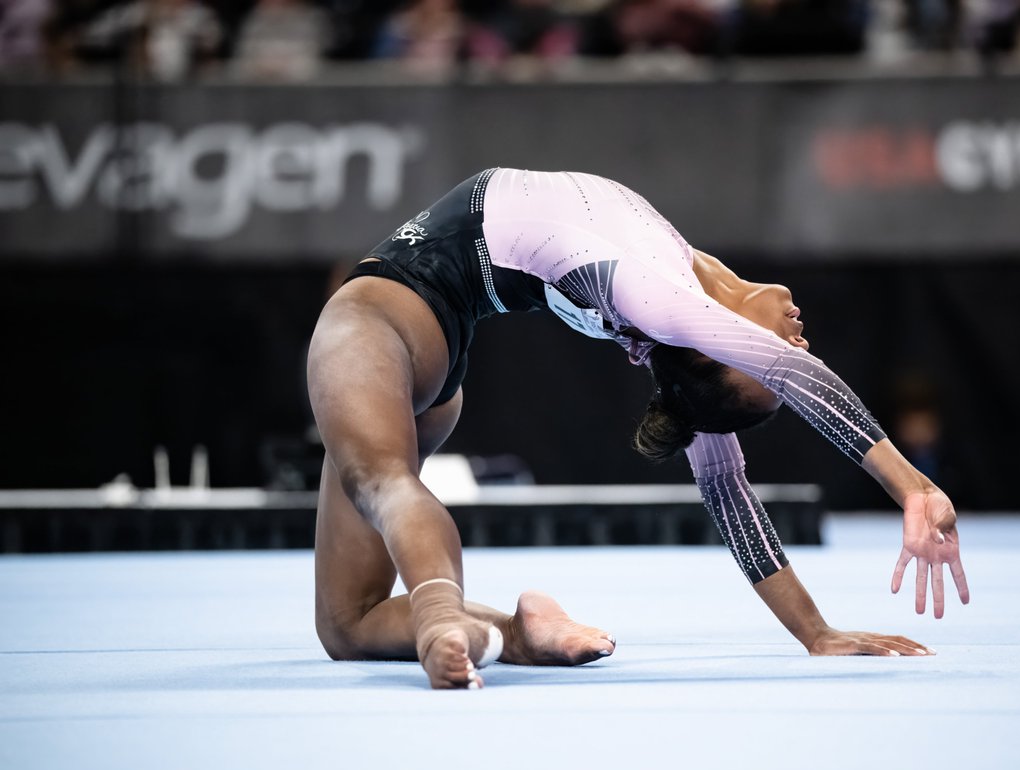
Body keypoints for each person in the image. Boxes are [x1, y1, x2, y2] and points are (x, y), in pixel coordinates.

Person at [307, 167, 970, 690]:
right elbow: (735, 486)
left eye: (768, 363)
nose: (797, 345)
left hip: (385, 318)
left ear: (716, 348)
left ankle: (440, 627)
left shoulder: (658, 299)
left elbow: (742, 471)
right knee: (346, 624)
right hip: (431, 343)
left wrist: (912, 491)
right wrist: (817, 630)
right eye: (780, 360)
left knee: (384, 483)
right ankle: (517, 634)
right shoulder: (675, 298)